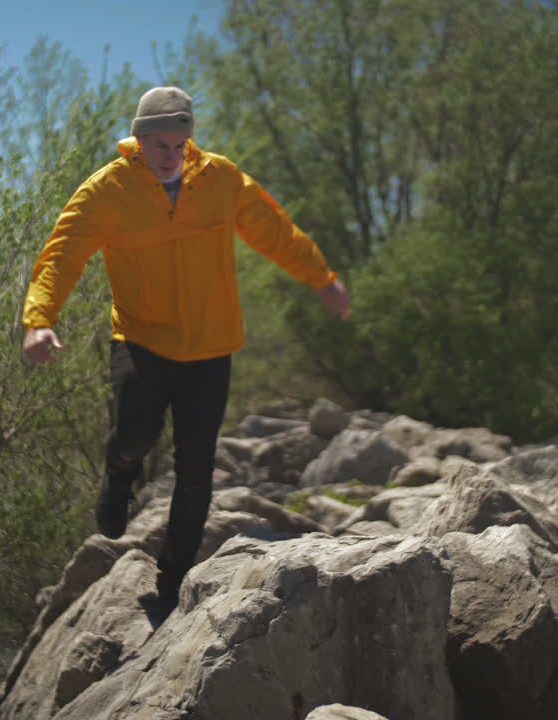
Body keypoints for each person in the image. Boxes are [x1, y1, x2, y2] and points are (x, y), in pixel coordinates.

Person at [21, 86, 350, 620]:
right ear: (139, 139)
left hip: (209, 347)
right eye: (159, 144)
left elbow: (275, 231)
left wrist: (322, 279)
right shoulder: (108, 190)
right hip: (142, 340)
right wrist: (39, 321)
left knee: (197, 469)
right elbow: (61, 254)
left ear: (189, 141)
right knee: (135, 432)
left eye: (179, 143)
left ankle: (172, 581)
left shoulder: (219, 179)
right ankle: (120, 472)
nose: (170, 155)